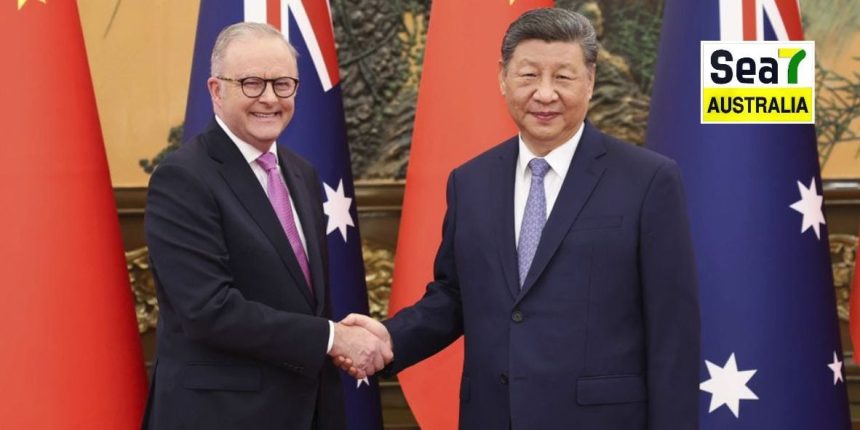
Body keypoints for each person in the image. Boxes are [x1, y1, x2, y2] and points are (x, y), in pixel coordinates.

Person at [340, 8, 700, 429]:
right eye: (529, 75)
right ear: (503, 78)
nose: (545, 94)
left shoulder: (648, 180)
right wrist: (391, 338)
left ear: (590, 80)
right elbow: (455, 295)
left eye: (563, 77)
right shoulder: (470, 181)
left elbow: (673, 333)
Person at [141, 22, 391, 430]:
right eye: (252, 83)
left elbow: (303, 301)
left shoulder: (301, 173)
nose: (270, 98)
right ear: (216, 90)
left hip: (308, 411)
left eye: (283, 84)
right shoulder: (183, 178)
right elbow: (208, 310)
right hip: (221, 418)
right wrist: (332, 338)